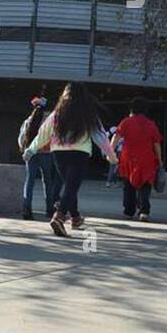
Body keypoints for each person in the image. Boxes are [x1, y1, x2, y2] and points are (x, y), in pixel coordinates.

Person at [23, 82, 116, 237]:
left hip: (58, 153)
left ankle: (75, 217)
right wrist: (112, 157)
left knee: (69, 185)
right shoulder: (88, 113)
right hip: (80, 153)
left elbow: (43, 133)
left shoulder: (57, 113)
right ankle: (59, 217)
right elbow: (100, 136)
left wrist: (31, 149)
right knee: (71, 186)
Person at [112, 97, 163, 222]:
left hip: (128, 158)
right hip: (147, 159)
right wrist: (160, 160)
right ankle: (144, 211)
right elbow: (157, 144)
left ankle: (129, 210)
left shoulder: (126, 122)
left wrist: (110, 152)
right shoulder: (151, 124)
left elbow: (116, 137)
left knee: (128, 185)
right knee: (145, 185)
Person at [18, 96, 61, 221]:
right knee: (47, 181)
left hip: (30, 154)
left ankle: (27, 209)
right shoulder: (49, 121)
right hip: (46, 153)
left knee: (29, 181)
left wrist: (24, 149)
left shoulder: (28, 120)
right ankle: (49, 209)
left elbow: (21, 137)